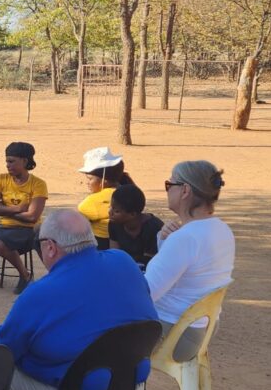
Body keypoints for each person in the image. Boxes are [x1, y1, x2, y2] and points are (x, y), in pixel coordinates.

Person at [0, 209, 158, 390]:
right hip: (133, 388)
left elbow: (5, 350)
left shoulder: (41, 292)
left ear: (50, 247)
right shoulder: (124, 261)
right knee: (79, 352)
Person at [145, 160, 234, 362]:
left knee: (97, 326)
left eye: (170, 185)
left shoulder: (186, 238)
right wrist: (165, 241)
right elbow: (187, 274)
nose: (167, 190)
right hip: (199, 329)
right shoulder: (222, 229)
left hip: (173, 334)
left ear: (185, 190)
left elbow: (147, 294)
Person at [0, 142, 48, 294]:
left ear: (25, 161)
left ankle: (26, 276)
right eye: (6, 161)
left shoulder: (38, 184)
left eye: (11, 161)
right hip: (4, 228)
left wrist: (3, 209)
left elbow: (32, 217)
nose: (7, 165)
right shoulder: (2, 179)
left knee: (0, 243)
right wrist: (17, 209)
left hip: (27, 231)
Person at [77, 146, 132, 250]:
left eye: (90, 179)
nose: (87, 183)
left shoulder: (91, 202)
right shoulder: (129, 192)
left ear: (104, 180)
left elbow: (79, 219)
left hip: (101, 245)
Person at [108, 184, 163, 269]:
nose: (110, 212)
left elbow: (149, 262)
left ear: (132, 214)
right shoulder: (114, 224)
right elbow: (115, 255)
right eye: (111, 207)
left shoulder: (154, 228)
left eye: (116, 211)